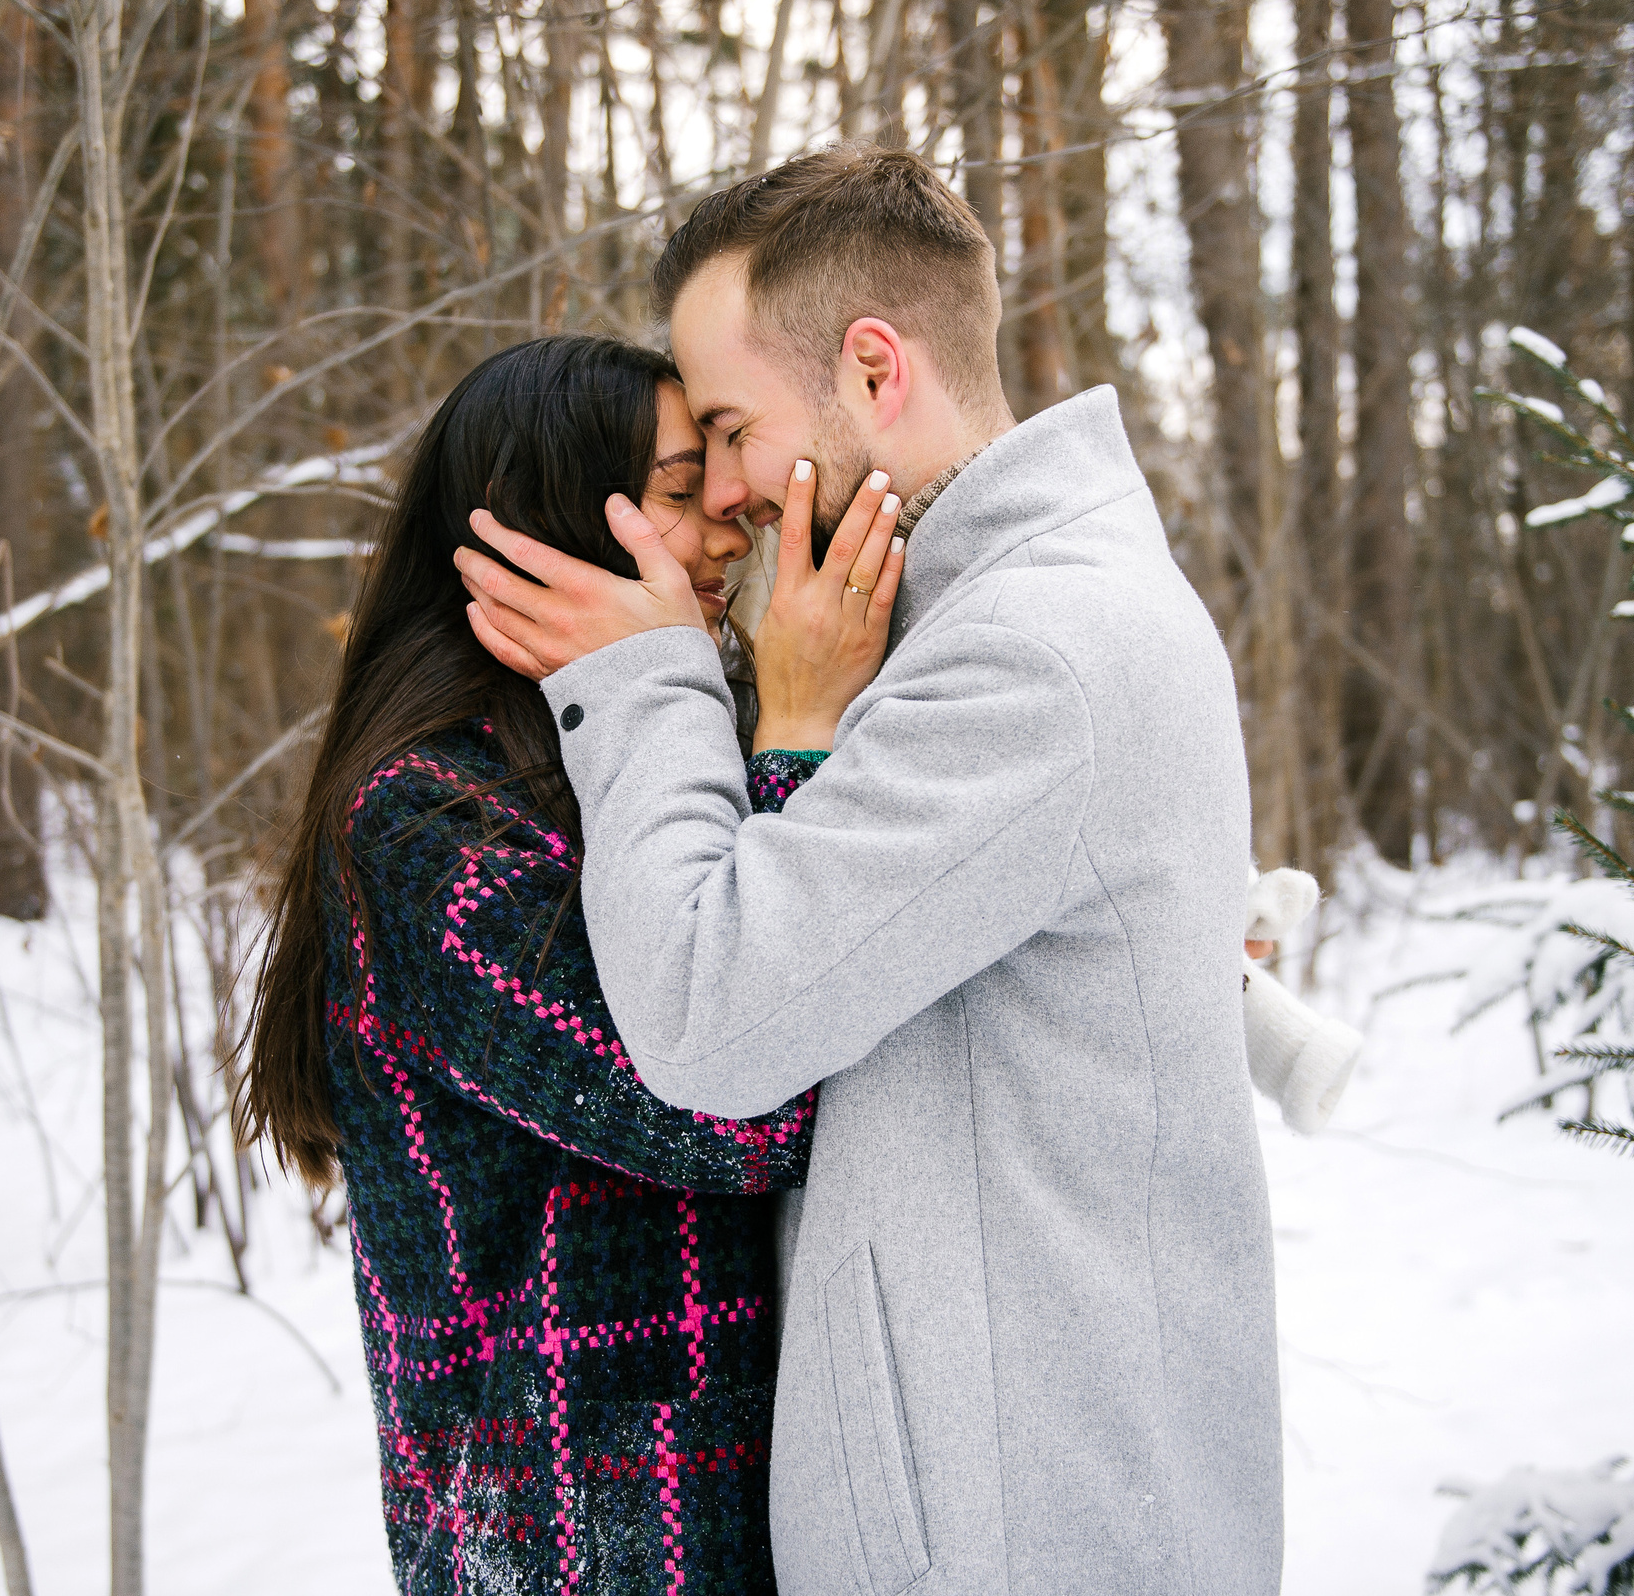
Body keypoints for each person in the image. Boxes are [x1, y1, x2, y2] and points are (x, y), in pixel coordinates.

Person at [456, 145, 1285, 1594]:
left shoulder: (1030, 654)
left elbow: (713, 1022)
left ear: (874, 369)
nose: (716, 488)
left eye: (727, 424)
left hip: (1019, 1525)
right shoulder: (1018, 613)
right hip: (1025, 1490)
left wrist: (640, 680)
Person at [234, 335, 896, 1595]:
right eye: (672, 485)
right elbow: (736, 1110)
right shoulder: (426, 823)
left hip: (732, 1481)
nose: (726, 522)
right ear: (544, 516)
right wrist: (800, 740)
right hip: (576, 1528)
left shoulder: (652, 751)